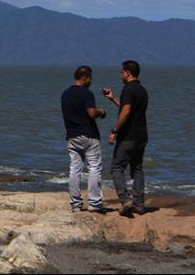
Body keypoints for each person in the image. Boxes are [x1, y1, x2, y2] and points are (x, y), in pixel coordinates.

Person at [103, 59, 149, 216]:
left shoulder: (128, 89)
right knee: (137, 168)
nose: (120, 75)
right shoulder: (142, 90)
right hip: (142, 135)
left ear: (127, 73)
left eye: (121, 72)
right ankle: (139, 204)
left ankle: (125, 200)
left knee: (116, 168)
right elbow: (126, 107)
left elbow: (126, 111)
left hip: (128, 135)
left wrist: (114, 130)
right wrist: (112, 98)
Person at [61, 65, 107, 212]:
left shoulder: (65, 94)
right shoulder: (86, 93)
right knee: (94, 167)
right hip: (88, 135)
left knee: (75, 169)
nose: (91, 81)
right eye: (90, 78)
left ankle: (75, 204)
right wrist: (102, 111)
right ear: (85, 77)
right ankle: (95, 203)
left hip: (72, 135)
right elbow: (92, 113)